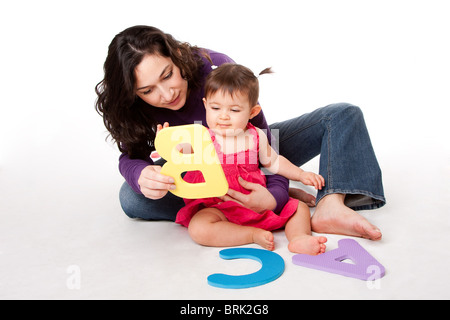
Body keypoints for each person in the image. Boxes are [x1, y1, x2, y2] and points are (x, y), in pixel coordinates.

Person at [95, 25, 386, 241]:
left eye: (168, 75)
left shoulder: (214, 68)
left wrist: (273, 194)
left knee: (342, 115)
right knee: (131, 198)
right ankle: (229, 213)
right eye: (147, 91)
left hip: (250, 155)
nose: (166, 93)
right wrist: (141, 175)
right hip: (201, 178)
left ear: (176, 56)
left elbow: (266, 143)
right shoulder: (132, 107)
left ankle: (330, 205)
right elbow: (131, 156)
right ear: (131, 93)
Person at [172, 63, 327, 254]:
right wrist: (169, 143)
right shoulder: (203, 136)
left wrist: (300, 174)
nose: (223, 116)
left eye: (234, 110)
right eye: (215, 108)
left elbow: (274, 161)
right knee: (199, 228)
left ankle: (299, 238)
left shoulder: (255, 136)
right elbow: (181, 151)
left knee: (299, 208)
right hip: (219, 207)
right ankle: (251, 234)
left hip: (256, 203)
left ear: (252, 112)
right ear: (205, 105)